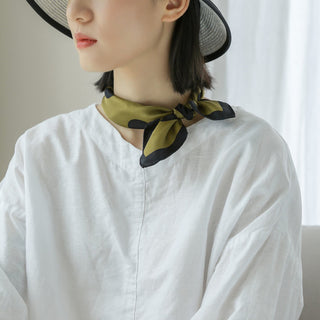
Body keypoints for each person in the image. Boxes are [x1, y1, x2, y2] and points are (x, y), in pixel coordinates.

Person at [0, 0, 304, 319]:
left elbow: (253, 306)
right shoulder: (42, 151)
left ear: (172, 3)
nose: (75, 11)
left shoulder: (251, 156)